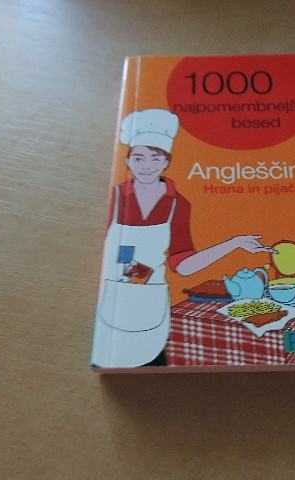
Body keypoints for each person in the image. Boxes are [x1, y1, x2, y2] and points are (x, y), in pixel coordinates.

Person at [91, 109, 273, 368]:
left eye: (156, 158)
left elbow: (184, 265)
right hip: (114, 298)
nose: (146, 166)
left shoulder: (178, 203)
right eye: (138, 158)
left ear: (166, 162)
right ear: (128, 161)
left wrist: (235, 243)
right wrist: (130, 269)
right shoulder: (117, 197)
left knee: (151, 362)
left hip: (150, 304)